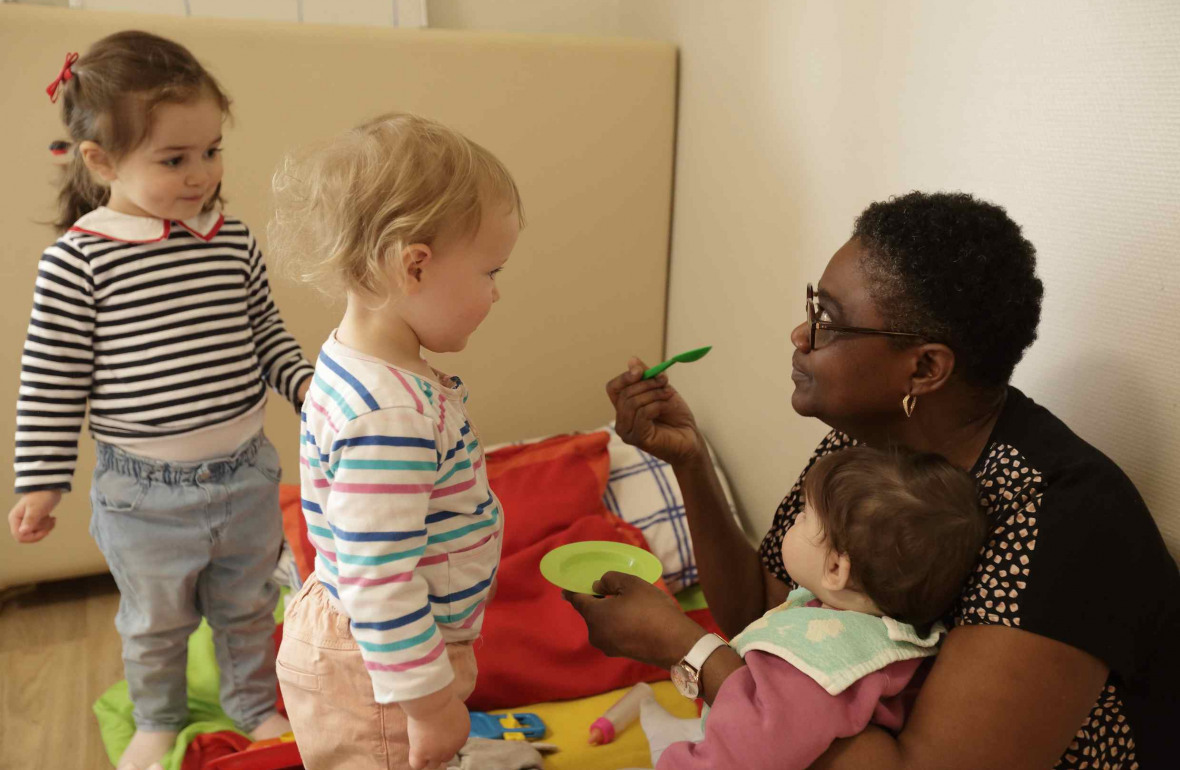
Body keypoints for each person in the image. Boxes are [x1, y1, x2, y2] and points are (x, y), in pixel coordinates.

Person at [567, 191, 1180, 769]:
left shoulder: (1063, 520)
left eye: (828, 320)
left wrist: (685, 649)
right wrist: (690, 462)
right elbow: (764, 612)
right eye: (813, 308)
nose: (801, 335)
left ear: (925, 368)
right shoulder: (872, 443)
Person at [8, 32, 313, 770]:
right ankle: (157, 716)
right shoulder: (79, 260)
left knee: (248, 606)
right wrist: (41, 482)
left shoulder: (232, 241)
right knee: (154, 622)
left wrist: (310, 389)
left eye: (211, 150)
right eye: (175, 159)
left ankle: (251, 704)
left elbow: (265, 333)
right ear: (101, 162)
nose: (201, 173)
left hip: (246, 476)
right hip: (144, 498)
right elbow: (51, 379)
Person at [270, 113, 523, 770]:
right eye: (490, 272)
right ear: (415, 267)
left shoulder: (361, 361)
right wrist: (430, 706)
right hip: (379, 675)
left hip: (385, 656)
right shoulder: (388, 414)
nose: (497, 293)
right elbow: (380, 580)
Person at [661, 445, 987, 768]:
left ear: (834, 568)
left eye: (805, 516)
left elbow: (742, 755)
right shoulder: (889, 638)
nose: (796, 519)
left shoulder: (817, 666)